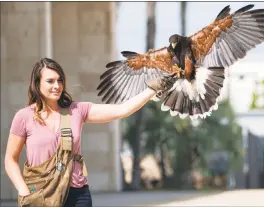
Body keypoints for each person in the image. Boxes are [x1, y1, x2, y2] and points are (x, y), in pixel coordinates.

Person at [4, 58, 175, 207]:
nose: (57, 86)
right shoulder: (24, 117)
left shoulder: (77, 110)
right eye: (50, 81)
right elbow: (10, 160)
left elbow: (121, 110)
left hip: (77, 194)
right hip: (40, 195)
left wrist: (152, 89)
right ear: (37, 83)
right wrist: (24, 192)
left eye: (60, 80)